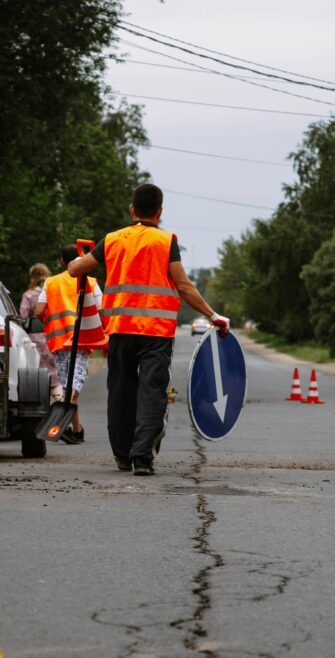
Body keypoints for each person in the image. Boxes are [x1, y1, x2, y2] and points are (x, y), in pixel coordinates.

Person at [67, 183, 229, 476]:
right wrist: (213, 315)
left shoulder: (112, 240)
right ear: (160, 212)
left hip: (119, 331)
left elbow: (76, 270)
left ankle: (121, 455)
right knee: (151, 393)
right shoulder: (166, 242)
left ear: (132, 209)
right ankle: (142, 457)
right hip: (155, 333)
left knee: (120, 392)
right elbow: (184, 287)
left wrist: (78, 261)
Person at [33, 248, 107, 444]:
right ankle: (63, 425)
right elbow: (102, 310)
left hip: (59, 341)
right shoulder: (90, 282)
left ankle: (77, 429)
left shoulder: (51, 282)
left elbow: (39, 310)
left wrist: (49, 322)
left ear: (62, 262)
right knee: (73, 385)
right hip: (81, 341)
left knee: (68, 385)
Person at [19, 263, 63, 401]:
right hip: (53, 339)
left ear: (32, 277)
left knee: (37, 379)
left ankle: (40, 414)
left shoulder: (29, 295)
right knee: (54, 379)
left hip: (34, 343)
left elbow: (23, 317)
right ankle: (61, 409)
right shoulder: (52, 293)